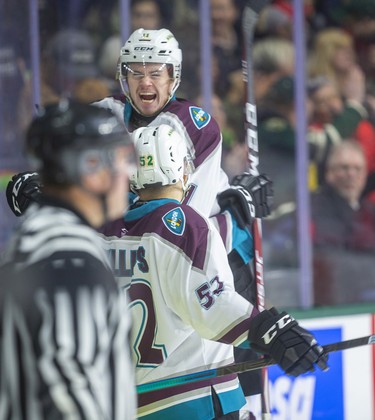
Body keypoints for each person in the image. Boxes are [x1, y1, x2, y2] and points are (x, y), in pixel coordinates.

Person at [100, 124, 328, 420]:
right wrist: (271, 330)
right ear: (183, 170)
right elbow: (213, 305)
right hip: (195, 400)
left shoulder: (104, 232)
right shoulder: (184, 225)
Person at [0, 100, 136, 419]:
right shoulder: (68, 256)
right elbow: (67, 386)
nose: (129, 173)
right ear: (90, 166)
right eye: (123, 159)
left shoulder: (35, 237)